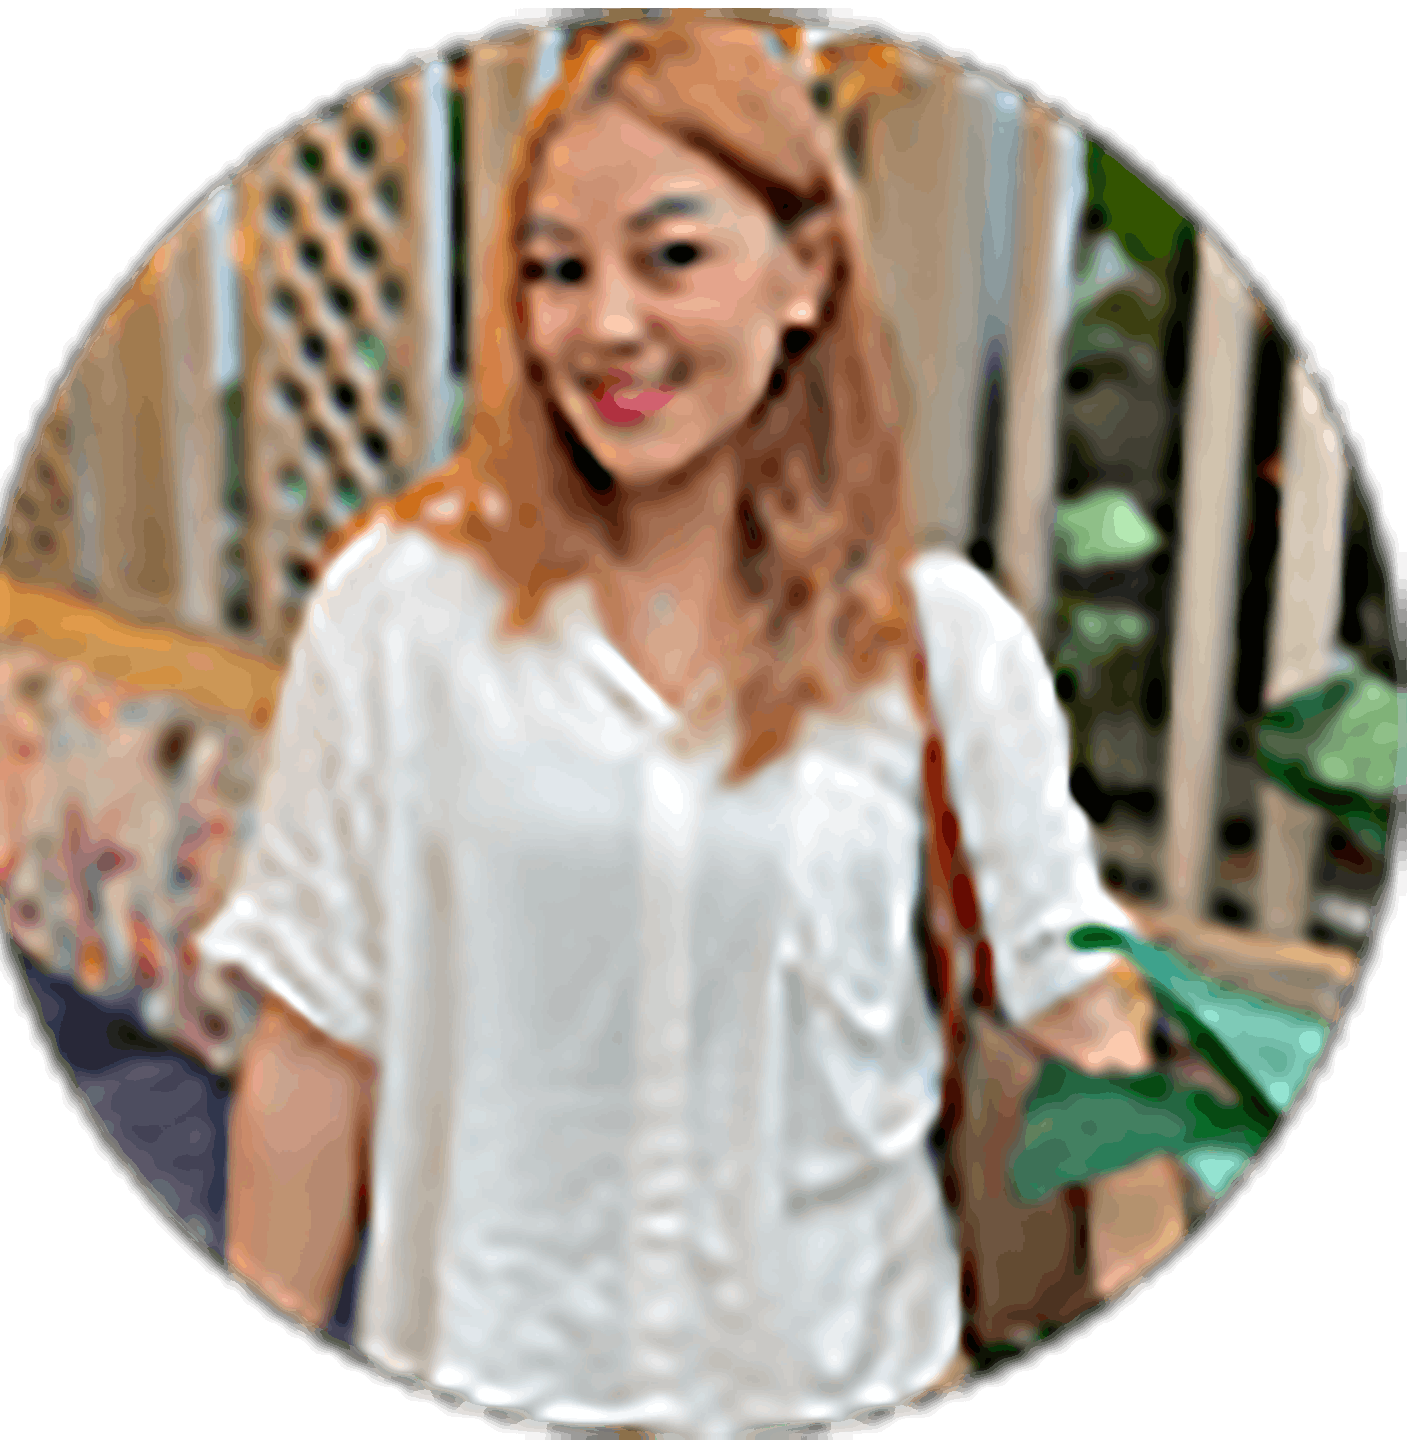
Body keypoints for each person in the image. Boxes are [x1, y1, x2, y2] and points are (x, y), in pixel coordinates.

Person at [196, 18, 1158, 1437]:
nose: (605, 325)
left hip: (846, 1380)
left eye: (672, 256)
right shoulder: (398, 610)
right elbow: (314, 1042)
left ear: (807, 273)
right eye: (556, 269)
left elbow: (1085, 1011)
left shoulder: (940, 642)